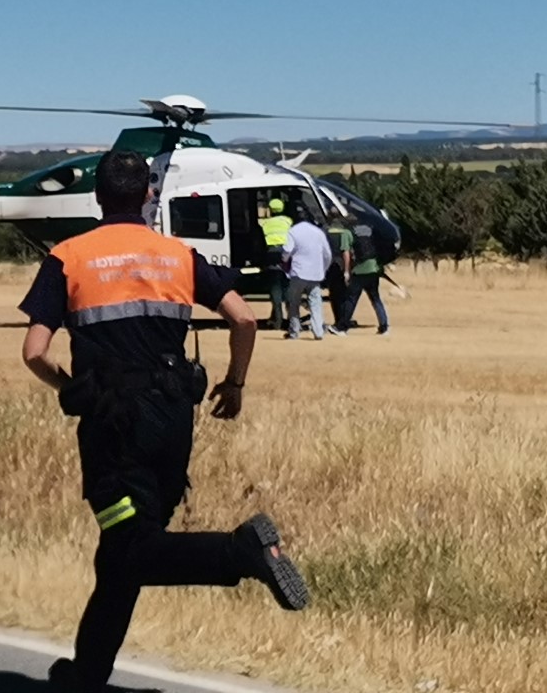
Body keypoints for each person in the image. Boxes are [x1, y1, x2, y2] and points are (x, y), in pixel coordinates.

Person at [19, 150, 309, 693]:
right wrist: (235, 384)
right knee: (121, 555)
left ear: (99, 196)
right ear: (148, 195)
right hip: (174, 423)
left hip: (113, 427)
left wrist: (72, 390)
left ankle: (241, 551)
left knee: (132, 548)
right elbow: (245, 319)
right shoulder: (178, 255)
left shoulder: (68, 257)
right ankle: (85, 678)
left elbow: (35, 352)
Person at [282, 206, 332, 340]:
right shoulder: (318, 232)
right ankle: (318, 331)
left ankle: (294, 331)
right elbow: (327, 254)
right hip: (315, 274)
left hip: (298, 273)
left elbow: (287, 251)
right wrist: (323, 269)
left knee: (294, 302)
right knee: (315, 303)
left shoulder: (293, 231)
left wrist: (284, 263)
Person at [340, 220, 390, 335]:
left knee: (351, 299)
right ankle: (384, 326)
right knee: (375, 299)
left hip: (359, 270)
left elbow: (346, 253)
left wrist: (347, 271)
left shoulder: (347, 232)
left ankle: (342, 327)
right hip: (374, 268)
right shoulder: (369, 230)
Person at [258, 197, 294, 330]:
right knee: (287, 286)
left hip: (271, 254)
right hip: (286, 255)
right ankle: (292, 320)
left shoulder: (264, 223)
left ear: (270, 210)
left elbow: (260, 241)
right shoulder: (288, 221)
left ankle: (278, 320)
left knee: (275, 288)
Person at [324, 217, 354, 336]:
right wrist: (347, 270)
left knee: (334, 295)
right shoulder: (345, 233)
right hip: (341, 266)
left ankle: (338, 320)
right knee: (344, 295)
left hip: (330, 266)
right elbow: (347, 252)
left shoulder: (326, 233)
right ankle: (343, 320)